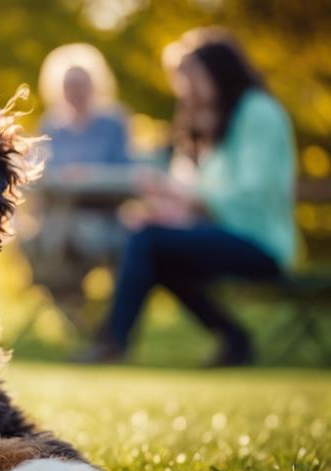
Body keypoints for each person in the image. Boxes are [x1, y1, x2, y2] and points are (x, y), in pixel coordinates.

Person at [81, 28, 296, 366]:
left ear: (217, 70)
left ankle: (113, 341)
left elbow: (252, 193)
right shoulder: (206, 122)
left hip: (261, 243)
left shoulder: (258, 113)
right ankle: (234, 338)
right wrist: (166, 210)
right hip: (224, 237)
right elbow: (191, 190)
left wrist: (184, 197)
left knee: (147, 243)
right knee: (149, 245)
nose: (184, 88)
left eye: (190, 76)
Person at [39, 43, 130, 174]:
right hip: (61, 194)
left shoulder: (113, 123)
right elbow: (45, 168)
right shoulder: (50, 125)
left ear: (93, 85)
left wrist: (90, 173)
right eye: (70, 86)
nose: (75, 91)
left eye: (80, 85)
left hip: (105, 193)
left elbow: (123, 166)